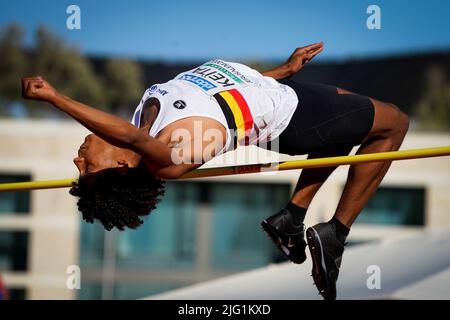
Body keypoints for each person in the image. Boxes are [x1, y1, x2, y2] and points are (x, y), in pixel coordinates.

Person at [21, 42, 409, 300]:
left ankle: (292, 218)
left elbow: (219, 96)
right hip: (296, 119)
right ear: (121, 166)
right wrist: (54, 97)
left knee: (353, 127)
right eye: (86, 169)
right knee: (395, 124)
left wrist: (282, 70)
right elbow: (126, 134)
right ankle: (336, 233)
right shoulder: (166, 158)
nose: (78, 159)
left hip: (288, 94)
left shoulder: (143, 120)